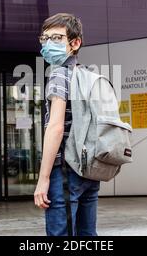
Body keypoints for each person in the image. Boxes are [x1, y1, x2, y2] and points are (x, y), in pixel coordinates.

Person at [34, 13, 100, 236]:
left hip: (64, 171)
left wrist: (43, 179)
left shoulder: (59, 74)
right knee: (87, 235)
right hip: (88, 170)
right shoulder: (87, 75)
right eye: (45, 39)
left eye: (57, 38)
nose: (48, 44)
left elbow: (56, 127)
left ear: (75, 43)